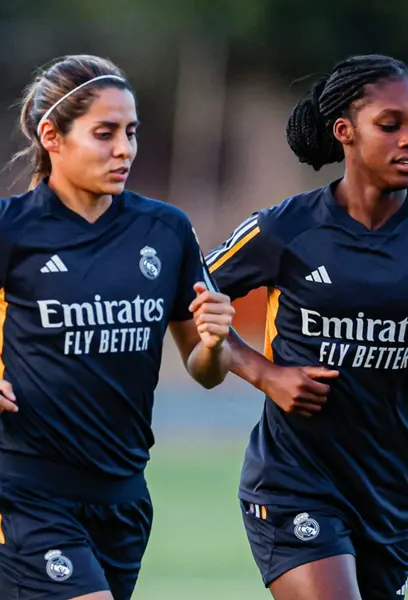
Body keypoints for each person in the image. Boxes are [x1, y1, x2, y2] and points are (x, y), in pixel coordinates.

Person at [0, 55, 237, 600]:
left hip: (124, 501)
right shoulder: (3, 229)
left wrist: (215, 344)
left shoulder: (167, 231)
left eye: (131, 133)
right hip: (25, 494)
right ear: (52, 136)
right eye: (105, 133)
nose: (125, 149)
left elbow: (206, 371)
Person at [206, 54, 408, 600]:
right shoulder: (286, 228)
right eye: (390, 126)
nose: (406, 139)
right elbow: (186, 292)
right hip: (297, 481)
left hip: (390, 493)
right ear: (344, 132)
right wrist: (263, 372)